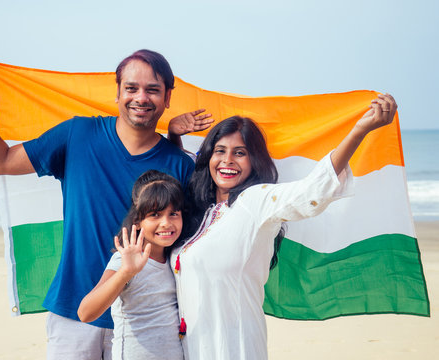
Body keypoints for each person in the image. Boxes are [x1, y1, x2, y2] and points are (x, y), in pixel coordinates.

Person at [0, 44, 212, 359]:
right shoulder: (78, 134)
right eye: (131, 88)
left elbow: (193, 240)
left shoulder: (180, 164)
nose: (141, 97)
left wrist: (174, 138)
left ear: (167, 97)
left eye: (153, 90)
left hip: (145, 319)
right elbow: (2, 161)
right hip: (75, 311)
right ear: (117, 93)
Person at [169, 94, 397, 359]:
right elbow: (178, 175)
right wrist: (174, 135)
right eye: (220, 151)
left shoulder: (256, 201)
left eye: (240, 153)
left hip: (235, 348)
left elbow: (312, 191)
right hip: (190, 349)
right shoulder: (200, 213)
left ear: (254, 160)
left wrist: (359, 130)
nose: (227, 160)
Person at [78, 170, 186, 360]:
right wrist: (126, 272)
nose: (166, 223)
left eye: (173, 214)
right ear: (138, 220)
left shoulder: (175, 259)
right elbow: (86, 312)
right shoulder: (125, 260)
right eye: (155, 214)